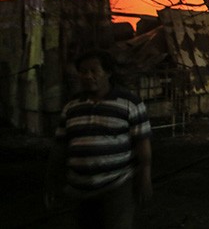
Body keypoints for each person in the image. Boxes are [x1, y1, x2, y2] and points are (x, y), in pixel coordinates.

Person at [45, 49, 152, 229]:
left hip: (116, 185)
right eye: (83, 71)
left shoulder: (129, 103)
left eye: (94, 71)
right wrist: (51, 180)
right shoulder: (72, 107)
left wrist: (144, 177)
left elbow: (142, 143)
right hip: (79, 188)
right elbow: (60, 145)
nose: (88, 76)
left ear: (108, 72)